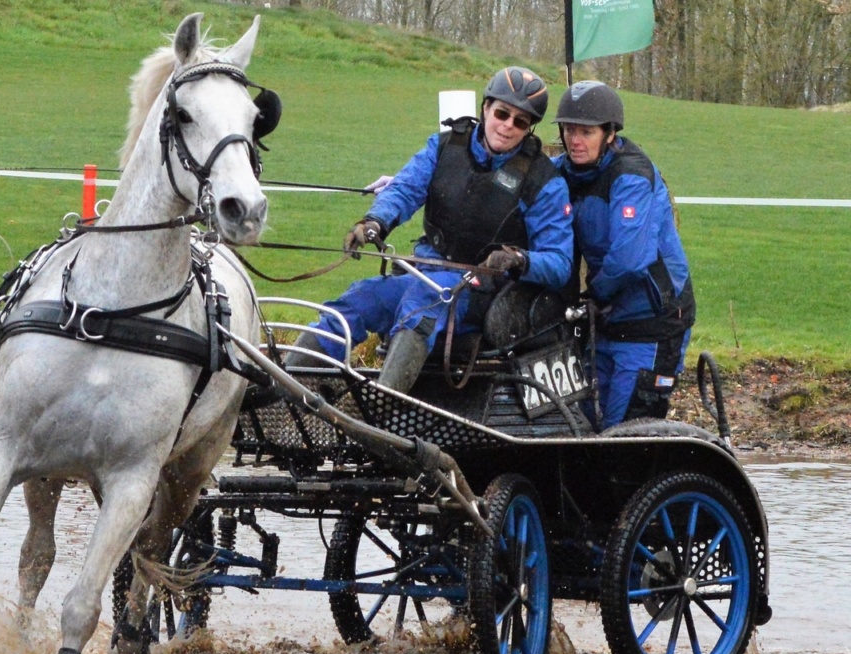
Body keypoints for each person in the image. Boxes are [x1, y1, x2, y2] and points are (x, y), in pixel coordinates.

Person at [293, 66, 574, 393]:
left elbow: (560, 263)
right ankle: (286, 382)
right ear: (485, 108)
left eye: (521, 121)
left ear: (529, 129)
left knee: (425, 302)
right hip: (426, 272)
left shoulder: (544, 182)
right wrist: (374, 222)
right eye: (502, 113)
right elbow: (405, 189)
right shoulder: (443, 148)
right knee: (360, 298)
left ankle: (386, 401)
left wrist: (518, 260)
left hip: (483, 293)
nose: (508, 125)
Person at [552, 80, 696, 429]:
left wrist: (594, 293)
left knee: (623, 435)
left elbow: (630, 259)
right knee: (580, 426)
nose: (575, 140)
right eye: (569, 130)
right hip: (607, 323)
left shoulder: (631, 174)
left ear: (610, 134)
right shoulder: (562, 171)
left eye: (586, 132)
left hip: (653, 323)